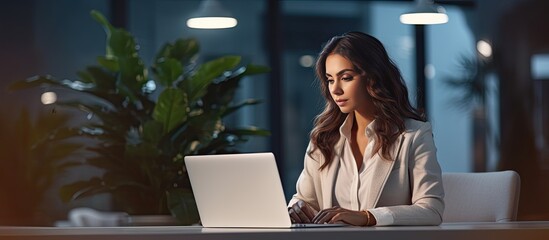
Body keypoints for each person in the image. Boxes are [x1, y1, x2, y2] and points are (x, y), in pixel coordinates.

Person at [287, 31, 444, 226]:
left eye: (346, 77)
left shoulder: (413, 136)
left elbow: (431, 210)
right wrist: (296, 207)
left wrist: (368, 216)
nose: (335, 89)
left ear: (373, 78)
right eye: (330, 79)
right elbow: (305, 200)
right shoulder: (323, 138)